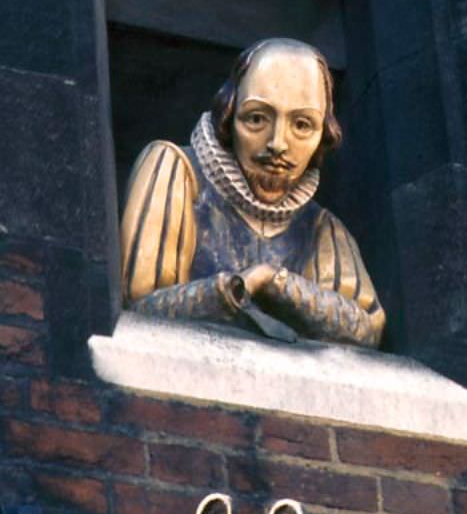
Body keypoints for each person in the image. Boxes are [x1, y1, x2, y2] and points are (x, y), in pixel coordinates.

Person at [120, 38, 385, 348]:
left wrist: (273, 281)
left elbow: (367, 330)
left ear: (323, 134)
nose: (277, 143)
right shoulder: (176, 171)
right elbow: (142, 307)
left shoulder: (322, 229)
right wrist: (235, 288)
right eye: (257, 118)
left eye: (301, 125)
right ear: (228, 116)